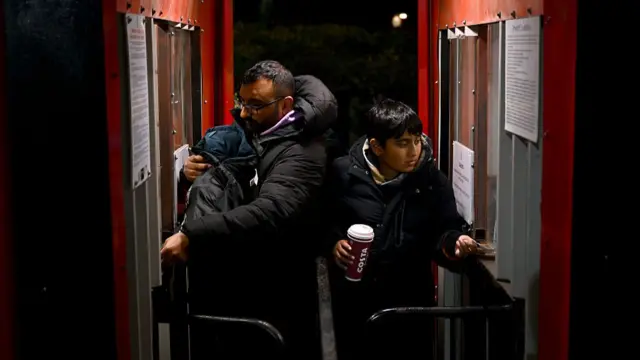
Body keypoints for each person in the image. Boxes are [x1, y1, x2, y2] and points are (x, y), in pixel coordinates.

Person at [161, 60, 337, 359]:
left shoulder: (302, 152)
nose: (244, 112)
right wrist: (195, 168)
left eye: (255, 105)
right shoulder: (274, 129)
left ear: (287, 105)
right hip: (257, 276)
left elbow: (271, 210)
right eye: (242, 101)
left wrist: (192, 233)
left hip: (280, 288)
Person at [327, 99, 478, 360]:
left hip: (410, 305)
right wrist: (334, 243)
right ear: (377, 146)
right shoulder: (343, 173)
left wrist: (455, 243)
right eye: (402, 143)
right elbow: (321, 222)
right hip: (355, 304)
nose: (414, 151)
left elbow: (444, 230)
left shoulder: (431, 181)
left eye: (417, 140)